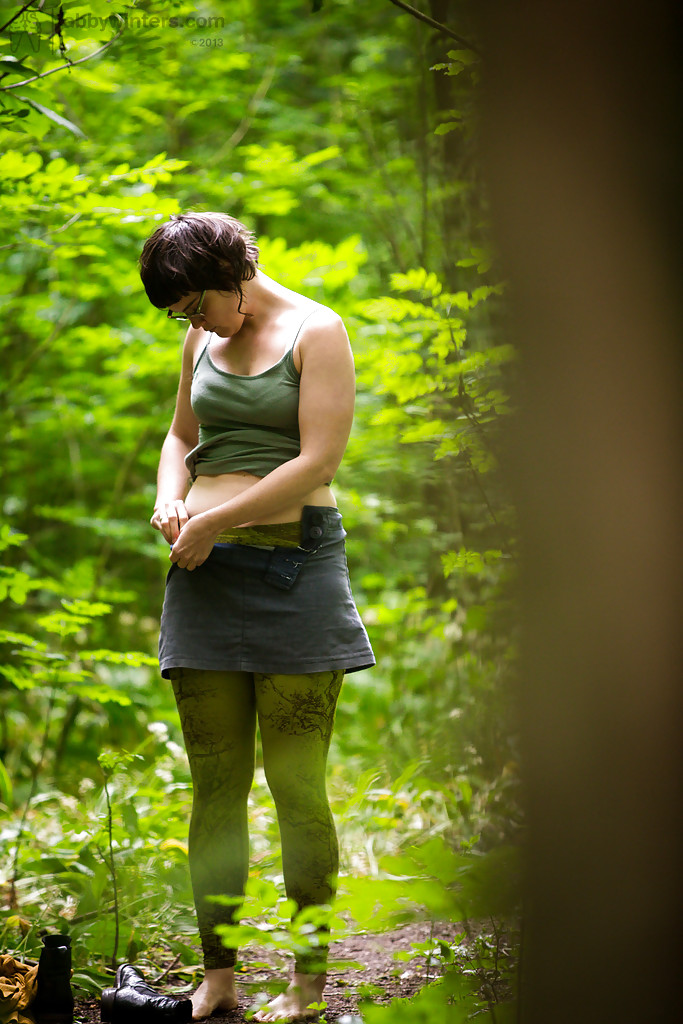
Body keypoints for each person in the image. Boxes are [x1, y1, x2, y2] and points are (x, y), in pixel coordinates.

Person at [139, 212, 375, 1023]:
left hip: (296, 573)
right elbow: (180, 435)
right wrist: (172, 499)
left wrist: (214, 520)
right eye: (179, 312)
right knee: (215, 788)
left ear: (232, 276)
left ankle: (308, 987)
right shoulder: (198, 338)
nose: (190, 320)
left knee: (297, 785)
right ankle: (220, 977)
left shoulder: (319, 331)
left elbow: (318, 459)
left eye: (194, 302)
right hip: (202, 580)